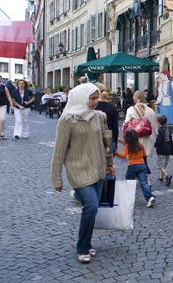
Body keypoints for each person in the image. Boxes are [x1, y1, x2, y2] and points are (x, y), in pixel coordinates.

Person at [50, 83, 115, 263]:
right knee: (92, 206)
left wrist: (109, 163)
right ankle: (82, 247)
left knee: (92, 209)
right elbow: (59, 151)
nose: (95, 102)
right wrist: (56, 178)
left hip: (98, 167)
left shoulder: (100, 116)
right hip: (78, 169)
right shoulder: (66, 121)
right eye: (92, 98)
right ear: (81, 98)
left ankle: (86, 243)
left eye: (96, 98)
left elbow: (107, 143)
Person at [115, 129, 156, 208]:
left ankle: (128, 198)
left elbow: (123, 156)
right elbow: (144, 155)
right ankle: (150, 198)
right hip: (142, 165)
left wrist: (115, 153)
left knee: (128, 180)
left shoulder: (127, 146)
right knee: (144, 183)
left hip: (132, 166)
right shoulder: (140, 145)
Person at [124, 91, 158, 175]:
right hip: (148, 139)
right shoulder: (151, 111)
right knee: (143, 158)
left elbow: (126, 124)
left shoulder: (131, 110)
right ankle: (143, 175)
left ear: (134, 99)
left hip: (136, 139)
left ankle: (144, 176)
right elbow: (155, 127)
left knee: (138, 159)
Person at [94, 83, 119, 152]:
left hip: (95, 138)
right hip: (109, 138)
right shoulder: (112, 107)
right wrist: (115, 142)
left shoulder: (92, 107)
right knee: (109, 161)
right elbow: (115, 127)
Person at [155, 115, 173, 185]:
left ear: (159, 123)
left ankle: (167, 175)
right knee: (164, 165)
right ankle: (161, 176)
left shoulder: (160, 130)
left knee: (159, 165)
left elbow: (159, 141)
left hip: (162, 150)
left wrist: (155, 143)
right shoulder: (168, 129)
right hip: (168, 150)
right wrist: (172, 151)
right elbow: (171, 141)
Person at [0, 76, 14, 140]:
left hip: (3, 105)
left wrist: (11, 105)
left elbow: (9, 97)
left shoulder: (4, 87)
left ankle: (2, 133)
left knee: (2, 119)